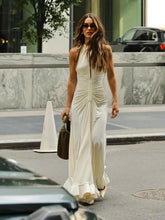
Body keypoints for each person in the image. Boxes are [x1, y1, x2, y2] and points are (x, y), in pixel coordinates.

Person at [61, 13, 119, 205]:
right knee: (82, 144)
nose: (88, 29)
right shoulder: (75, 52)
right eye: (85, 25)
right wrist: (67, 105)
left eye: (92, 26)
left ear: (97, 28)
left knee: (96, 141)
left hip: (100, 100)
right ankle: (85, 187)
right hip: (79, 101)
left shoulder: (106, 50)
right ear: (81, 29)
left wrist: (116, 101)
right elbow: (72, 79)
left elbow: (111, 76)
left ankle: (99, 179)